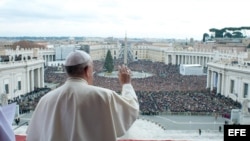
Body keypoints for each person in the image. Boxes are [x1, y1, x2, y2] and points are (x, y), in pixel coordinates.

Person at [26, 50, 139, 141]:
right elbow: (131, 108)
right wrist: (126, 84)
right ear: (87, 71)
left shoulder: (45, 100)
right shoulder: (104, 96)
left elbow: (33, 136)